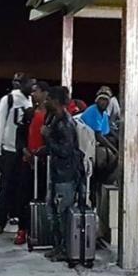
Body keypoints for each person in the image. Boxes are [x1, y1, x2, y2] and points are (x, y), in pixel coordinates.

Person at [0, 74, 35, 236]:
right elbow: (0, 125)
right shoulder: (8, 100)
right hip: (8, 150)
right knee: (5, 188)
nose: (33, 87)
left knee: (22, 189)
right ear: (23, 85)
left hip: (24, 151)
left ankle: (18, 219)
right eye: (31, 84)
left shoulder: (30, 101)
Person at [43, 86, 80, 262]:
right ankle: (58, 247)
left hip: (65, 175)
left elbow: (65, 150)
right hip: (57, 173)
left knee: (64, 214)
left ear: (55, 101)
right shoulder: (56, 119)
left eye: (48, 99)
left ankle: (66, 249)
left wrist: (48, 137)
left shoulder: (65, 122)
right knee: (54, 212)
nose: (45, 102)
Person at [15, 81, 50, 245]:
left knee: (42, 195)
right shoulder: (29, 113)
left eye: (36, 91)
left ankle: (40, 231)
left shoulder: (51, 115)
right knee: (23, 196)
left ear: (44, 93)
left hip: (45, 163)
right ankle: (22, 229)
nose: (32, 94)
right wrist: (24, 151)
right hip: (28, 161)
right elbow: (20, 136)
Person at [80, 88, 118, 206]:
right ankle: (93, 195)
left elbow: (107, 131)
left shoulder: (104, 114)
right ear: (97, 101)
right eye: (101, 100)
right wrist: (115, 149)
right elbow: (98, 135)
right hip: (86, 146)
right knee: (105, 156)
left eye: (106, 100)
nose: (103, 102)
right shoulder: (93, 111)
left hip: (95, 144)